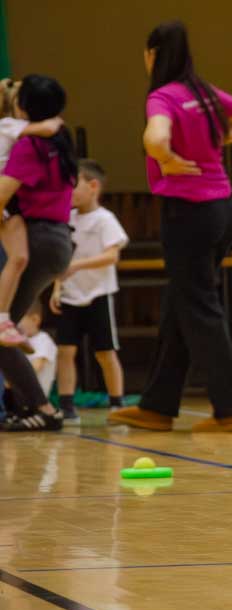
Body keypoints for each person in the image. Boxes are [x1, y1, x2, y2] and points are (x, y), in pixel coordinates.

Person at [108, 21, 232, 433]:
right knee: (180, 306)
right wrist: (215, 141)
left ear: (152, 55)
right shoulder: (205, 93)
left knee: (199, 308)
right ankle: (158, 406)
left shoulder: (163, 97)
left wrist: (166, 158)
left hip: (187, 214)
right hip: (222, 212)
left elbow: (156, 136)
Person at [0, 75, 77, 432]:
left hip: (40, 238)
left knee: (1, 331)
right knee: (5, 328)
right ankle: (28, 405)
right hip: (57, 240)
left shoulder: (28, 145)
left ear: (24, 106)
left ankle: (43, 408)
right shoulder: (60, 141)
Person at [51, 159, 130, 422]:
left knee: (105, 352)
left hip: (98, 294)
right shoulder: (67, 218)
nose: (69, 191)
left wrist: (78, 266)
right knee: (65, 351)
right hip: (70, 295)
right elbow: (61, 261)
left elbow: (111, 256)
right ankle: (67, 405)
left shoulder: (105, 219)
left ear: (93, 186)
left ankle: (117, 404)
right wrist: (56, 288)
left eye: (74, 185)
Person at [0, 78, 66, 350]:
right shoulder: (11, 127)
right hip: (5, 201)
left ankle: (5, 321)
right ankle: (4, 321)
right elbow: (50, 126)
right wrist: (58, 123)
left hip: (9, 206)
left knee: (19, 258)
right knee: (17, 259)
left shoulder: (15, 129)